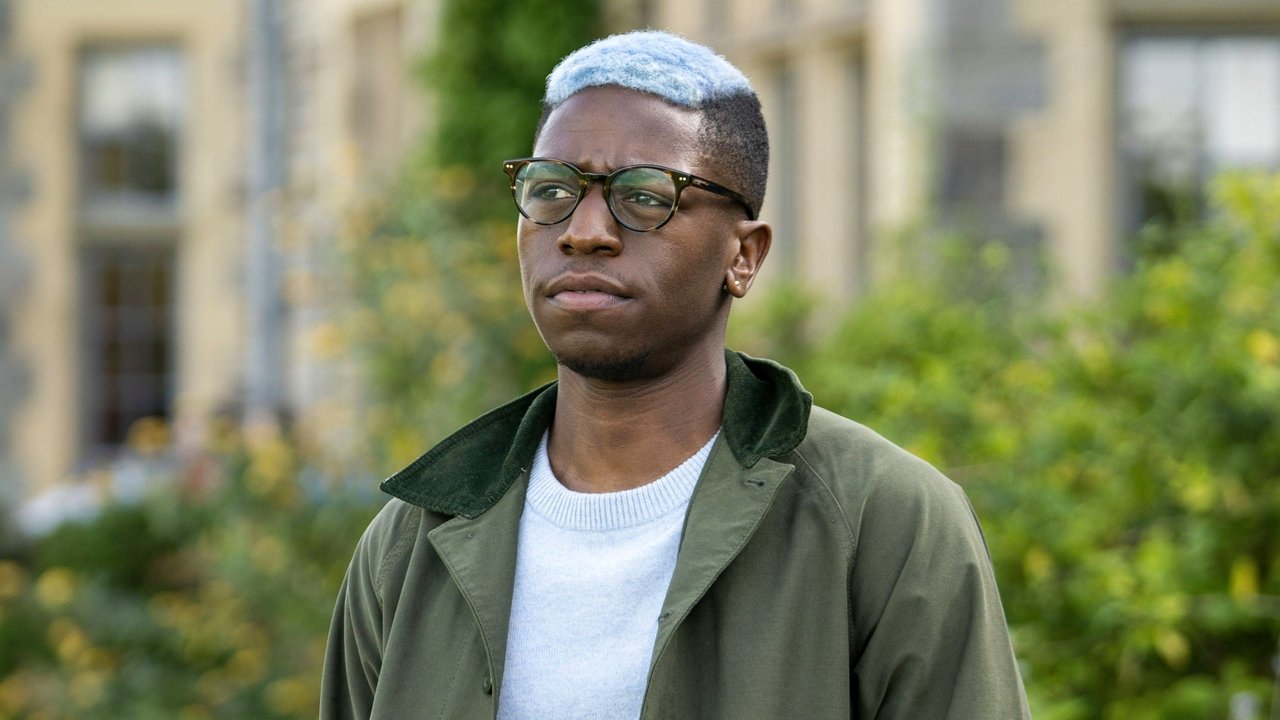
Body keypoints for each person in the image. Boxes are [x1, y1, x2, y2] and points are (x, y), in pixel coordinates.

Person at [322, 30, 1031, 720]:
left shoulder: (883, 521)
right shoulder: (409, 547)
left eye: (645, 196)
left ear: (743, 255)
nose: (584, 231)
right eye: (551, 189)